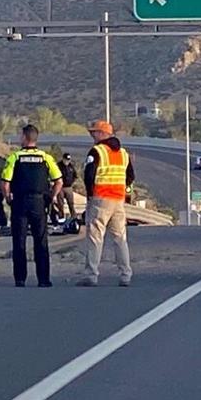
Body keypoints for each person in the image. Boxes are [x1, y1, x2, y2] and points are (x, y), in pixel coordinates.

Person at [2, 125, 63, 287]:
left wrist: (8, 197)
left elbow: (5, 182)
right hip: (39, 203)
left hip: (20, 202)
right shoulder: (45, 157)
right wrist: (51, 197)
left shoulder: (15, 157)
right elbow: (59, 181)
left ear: (24, 137)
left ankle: (20, 279)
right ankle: (43, 279)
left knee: (19, 241)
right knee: (41, 241)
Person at [78, 120, 135, 287]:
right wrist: (121, 188)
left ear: (103, 134)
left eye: (94, 133)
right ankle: (126, 274)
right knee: (120, 238)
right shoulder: (123, 153)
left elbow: (89, 175)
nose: (92, 136)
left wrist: (90, 195)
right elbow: (130, 175)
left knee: (95, 237)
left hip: (100, 199)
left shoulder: (97, 151)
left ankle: (91, 274)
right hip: (118, 199)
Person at [52, 153, 78, 223]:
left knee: (71, 203)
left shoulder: (71, 167)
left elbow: (75, 176)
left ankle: (74, 217)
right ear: (63, 159)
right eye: (66, 160)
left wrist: (72, 182)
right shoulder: (58, 166)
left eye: (68, 160)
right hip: (60, 187)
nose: (67, 161)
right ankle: (61, 218)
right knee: (60, 204)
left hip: (69, 187)